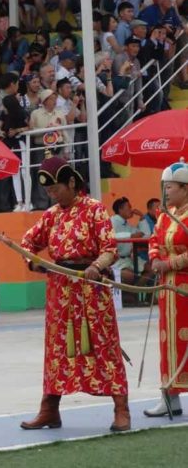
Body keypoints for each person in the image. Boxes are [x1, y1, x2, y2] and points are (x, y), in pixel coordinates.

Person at [21, 156, 129, 432]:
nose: (53, 195)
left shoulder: (95, 210)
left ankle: (121, 409)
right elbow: (28, 242)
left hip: (92, 291)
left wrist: (96, 266)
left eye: (56, 189)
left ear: (71, 182)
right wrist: (33, 261)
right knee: (57, 350)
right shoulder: (52, 215)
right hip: (60, 292)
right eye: (48, 192)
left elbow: (110, 249)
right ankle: (49, 410)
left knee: (103, 346)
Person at [145, 162, 188, 417]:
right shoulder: (164, 215)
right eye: (165, 187)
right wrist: (154, 261)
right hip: (167, 290)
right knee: (167, 343)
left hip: (185, 288)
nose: (166, 191)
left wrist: (169, 263)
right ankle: (169, 398)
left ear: (185, 188)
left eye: (170, 187)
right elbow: (154, 240)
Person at [110, 197, 152, 286]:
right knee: (129, 276)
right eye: (128, 207)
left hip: (129, 259)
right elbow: (111, 236)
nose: (131, 209)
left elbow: (146, 235)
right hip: (116, 260)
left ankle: (136, 291)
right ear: (120, 209)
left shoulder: (127, 225)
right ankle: (130, 295)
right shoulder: (112, 221)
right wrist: (130, 236)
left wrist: (142, 217)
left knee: (151, 269)